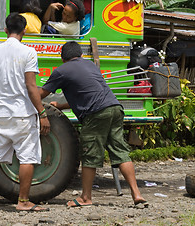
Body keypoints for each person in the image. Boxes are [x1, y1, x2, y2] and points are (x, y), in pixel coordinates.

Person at [39, 41, 149, 208]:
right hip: (115, 108)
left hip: (96, 114)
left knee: (89, 154)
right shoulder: (89, 65)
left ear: (63, 58)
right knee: (120, 152)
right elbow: (88, 95)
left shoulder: (61, 71)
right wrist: (60, 106)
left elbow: (41, 94)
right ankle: (137, 193)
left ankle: (85, 197)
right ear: (80, 55)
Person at [0, 13, 50, 214]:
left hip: (1, 114)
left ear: (6, 30)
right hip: (23, 115)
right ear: (24, 31)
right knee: (27, 158)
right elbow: (31, 86)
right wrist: (42, 113)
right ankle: (23, 201)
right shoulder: (29, 52)